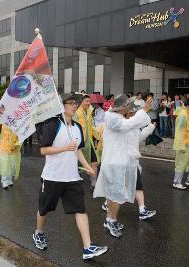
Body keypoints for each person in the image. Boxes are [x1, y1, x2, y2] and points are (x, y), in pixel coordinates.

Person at [33, 93, 108, 260]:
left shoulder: (76, 126)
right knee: (44, 209)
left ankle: (88, 247)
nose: (74, 106)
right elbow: (44, 150)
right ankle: (38, 233)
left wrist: (88, 167)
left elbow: (78, 150)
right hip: (52, 177)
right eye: (71, 103)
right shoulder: (53, 124)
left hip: (72, 177)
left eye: (76, 103)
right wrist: (64, 148)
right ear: (63, 106)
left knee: (80, 210)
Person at [93, 95, 153, 238]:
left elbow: (132, 127)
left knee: (114, 195)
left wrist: (146, 121)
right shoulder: (112, 118)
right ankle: (111, 220)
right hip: (114, 163)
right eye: (128, 106)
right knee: (116, 196)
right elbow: (128, 124)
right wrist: (144, 110)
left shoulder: (118, 118)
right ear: (122, 107)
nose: (130, 109)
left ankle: (109, 219)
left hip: (118, 163)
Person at [74, 94, 99, 190]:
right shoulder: (76, 113)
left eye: (89, 101)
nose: (88, 103)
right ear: (81, 102)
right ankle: (76, 179)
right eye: (86, 101)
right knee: (77, 163)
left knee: (94, 162)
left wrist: (98, 134)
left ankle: (94, 182)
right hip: (80, 142)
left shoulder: (89, 112)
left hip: (89, 142)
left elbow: (91, 126)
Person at [0, 123, 22, 189]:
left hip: (14, 149)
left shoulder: (18, 124)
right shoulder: (2, 123)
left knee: (12, 165)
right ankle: (4, 181)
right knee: (5, 165)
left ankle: (9, 180)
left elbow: (21, 136)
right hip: (3, 148)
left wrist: (16, 145)